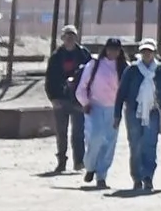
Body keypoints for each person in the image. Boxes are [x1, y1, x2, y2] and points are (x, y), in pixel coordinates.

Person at [121, 50, 161, 194]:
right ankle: (137, 178)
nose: (147, 54)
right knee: (135, 145)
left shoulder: (160, 70)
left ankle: (148, 177)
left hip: (153, 111)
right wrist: (116, 114)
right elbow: (122, 92)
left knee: (150, 145)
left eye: (150, 52)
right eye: (144, 52)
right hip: (134, 112)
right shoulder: (132, 70)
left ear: (154, 53)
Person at [78, 42, 124, 188]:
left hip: (114, 109)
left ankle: (101, 176)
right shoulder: (94, 64)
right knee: (95, 137)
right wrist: (85, 102)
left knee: (109, 143)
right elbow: (82, 86)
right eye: (110, 49)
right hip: (95, 106)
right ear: (105, 49)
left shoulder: (123, 67)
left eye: (116, 50)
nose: (112, 52)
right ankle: (90, 166)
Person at [45, 32, 82, 174]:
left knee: (78, 132)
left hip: (78, 99)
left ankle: (79, 161)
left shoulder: (83, 54)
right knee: (61, 132)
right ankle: (61, 161)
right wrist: (52, 98)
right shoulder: (56, 56)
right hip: (60, 99)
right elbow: (49, 79)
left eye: (72, 36)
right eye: (67, 37)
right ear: (63, 39)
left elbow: (90, 76)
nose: (70, 39)